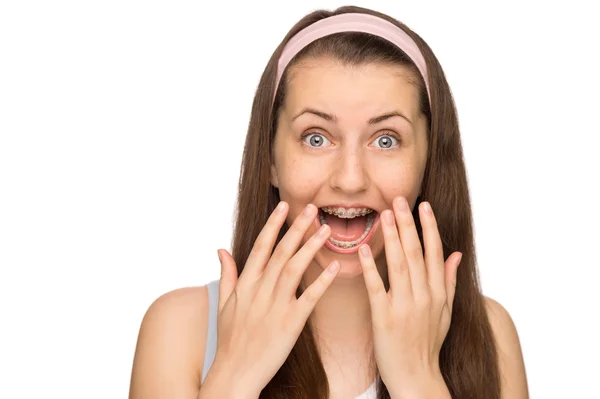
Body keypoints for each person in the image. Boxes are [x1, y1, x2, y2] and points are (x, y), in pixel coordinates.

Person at [128, 5, 529, 399]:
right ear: (270, 158)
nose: (350, 180)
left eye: (386, 140)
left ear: (428, 162)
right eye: (315, 138)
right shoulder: (182, 329)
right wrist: (235, 373)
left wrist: (417, 379)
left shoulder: (491, 334)